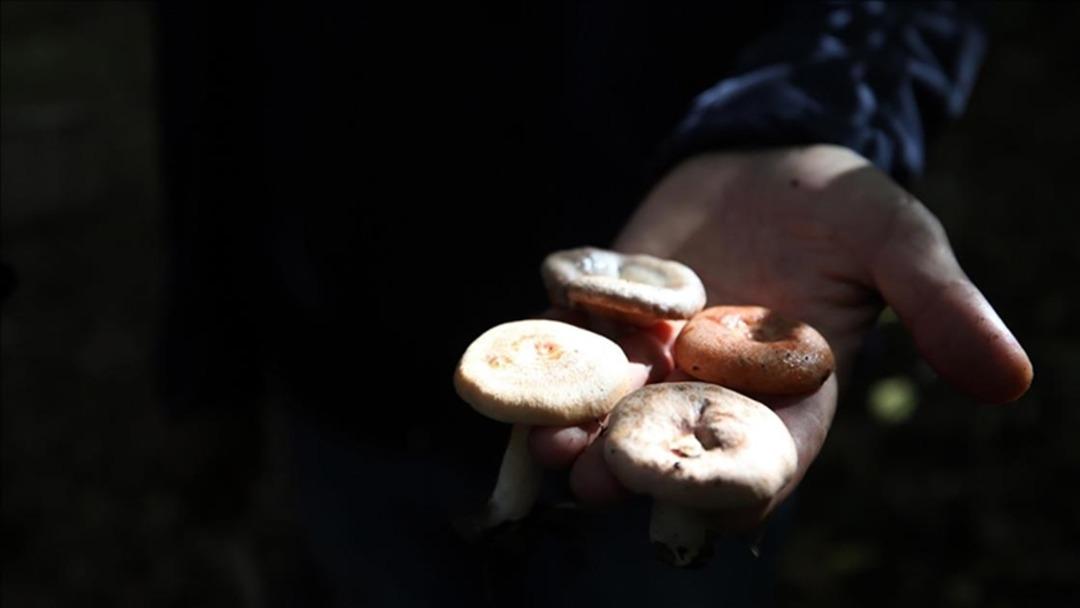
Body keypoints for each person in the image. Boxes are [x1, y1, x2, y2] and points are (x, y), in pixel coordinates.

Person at [155, 2, 1032, 606]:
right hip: (343, 372)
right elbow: (205, 63)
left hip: (638, 391)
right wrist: (206, 354)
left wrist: (805, 116)